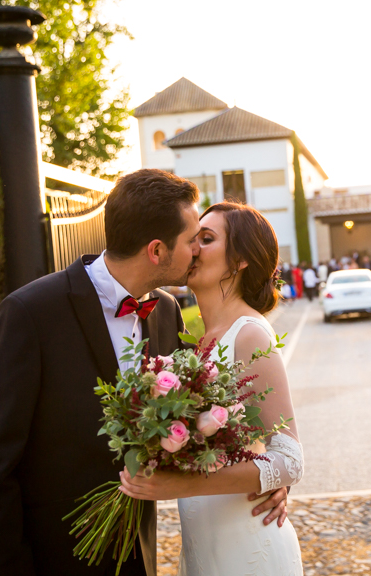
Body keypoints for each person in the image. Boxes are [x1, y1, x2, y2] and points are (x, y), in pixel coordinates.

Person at [0, 171, 289, 576]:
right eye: (192, 241)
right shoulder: (31, 314)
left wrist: (266, 476)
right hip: (54, 558)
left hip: (138, 555)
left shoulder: (165, 312)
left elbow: (214, 412)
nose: (196, 252)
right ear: (156, 251)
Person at [118, 202, 304, 574]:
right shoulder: (200, 342)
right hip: (205, 546)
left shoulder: (250, 334)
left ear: (240, 261)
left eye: (207, 238)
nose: (193, 247)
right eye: (192, 238)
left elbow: (290, 458)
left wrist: (179, 485)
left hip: (248, 545)